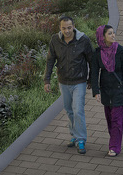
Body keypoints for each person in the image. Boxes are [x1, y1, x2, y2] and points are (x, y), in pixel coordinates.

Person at [43, 15, 93, 155]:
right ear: (60, 28)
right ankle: (74, 135)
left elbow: (92, 61)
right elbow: (50, 60)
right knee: (69, 110)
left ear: (74, 26)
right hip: (63, 81)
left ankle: (81, 139)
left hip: (79, 81)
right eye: (64, 28)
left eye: (69, 27)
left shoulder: (83, 40)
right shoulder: (55, 40)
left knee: (78, 110)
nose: (67, 31)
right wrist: (46, 80)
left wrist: (91, 80)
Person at [89, 24, 123, 158]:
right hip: (106, 91)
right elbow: (94, 73)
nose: (113, 35)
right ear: (102, 37)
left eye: (113, 33)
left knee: (117, 120)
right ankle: (114, 140)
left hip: (118, 91)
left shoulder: (121, 51)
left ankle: (114, 147)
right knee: (109, 119)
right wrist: (96, 91)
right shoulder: (97, 53)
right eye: (109, 33)